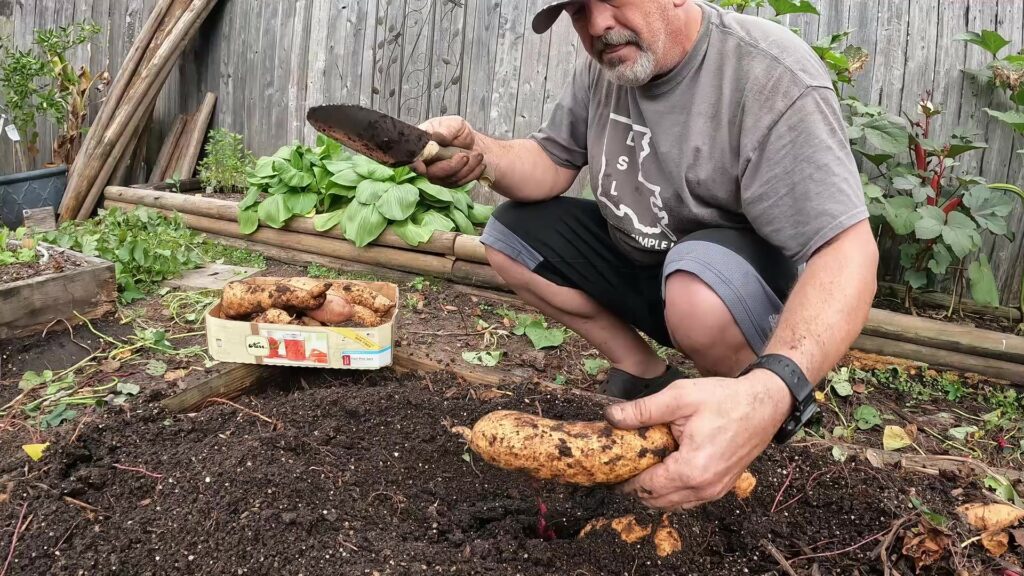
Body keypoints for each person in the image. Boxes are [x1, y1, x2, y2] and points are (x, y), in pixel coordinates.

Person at [411, 0, 878, 512]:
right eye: (577, 11)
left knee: (695, 286)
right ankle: (647, 375)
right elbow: (549, 161)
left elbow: (848, 250)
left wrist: (774, 389)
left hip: (731, 292)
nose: (596, 26)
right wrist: (480, 152)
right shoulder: (614, 63)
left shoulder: (767, 73)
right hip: (647, 260)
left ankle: (736, 414)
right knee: (510, 235)